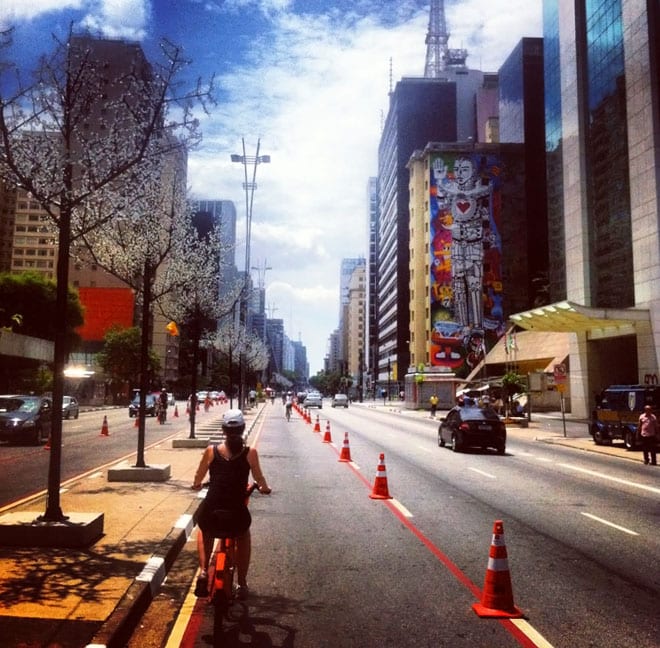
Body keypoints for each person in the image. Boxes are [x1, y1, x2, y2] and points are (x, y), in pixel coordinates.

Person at [191, 409, 271, 598]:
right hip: (237, 513)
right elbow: (259, 479)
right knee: (243, 536)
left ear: (223, 430)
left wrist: (196, 485)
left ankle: (203, 572)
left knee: (204, 529)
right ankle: (242, 584)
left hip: (212, 511)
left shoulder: (211, 450)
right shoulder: (250, 453)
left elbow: (199, 475)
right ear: (243, 429)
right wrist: (264, 488)